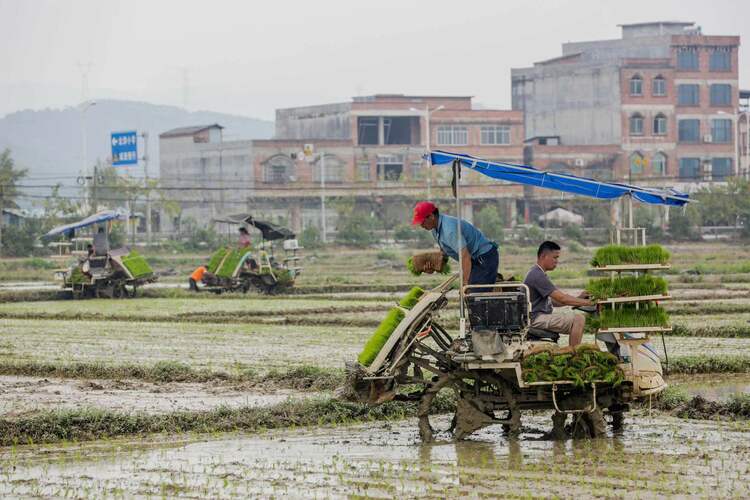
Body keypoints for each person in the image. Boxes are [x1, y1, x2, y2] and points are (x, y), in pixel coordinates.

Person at [412, 201, 498, 288]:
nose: (421, 225)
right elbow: (444, 254)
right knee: (469, 294)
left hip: (484, 258)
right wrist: (433, 267)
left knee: (472, 294)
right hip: (473, 260)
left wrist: (465, 284)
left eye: (422, 222)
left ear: (431, 216)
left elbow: (465, 256)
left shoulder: (449, 230)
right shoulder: (435, 229)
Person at [524, 241, 594, 346]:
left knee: (577, 318)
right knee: (579, 319)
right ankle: (574, 354)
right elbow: (562, 298)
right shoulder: (537, 275)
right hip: (535, 318)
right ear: (544, 256)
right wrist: (589, 303)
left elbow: (555, 302)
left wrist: (578, 298)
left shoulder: (538, 273)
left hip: (538, 316)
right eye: (555, 257)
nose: (557, 261)